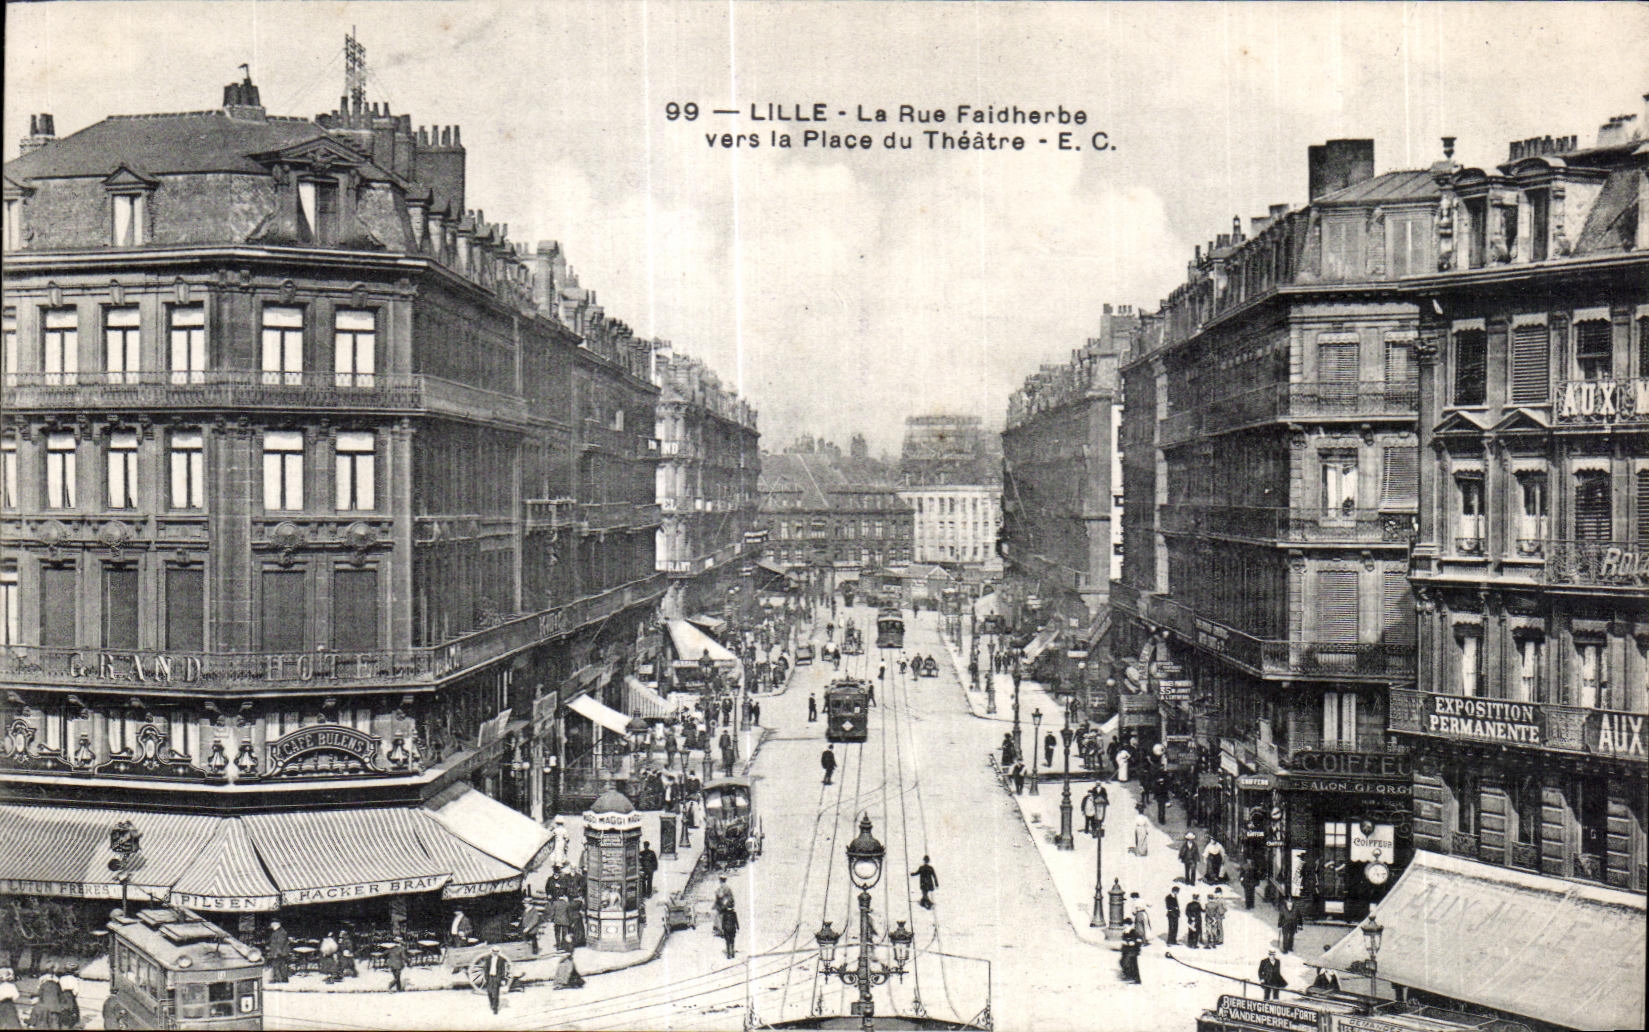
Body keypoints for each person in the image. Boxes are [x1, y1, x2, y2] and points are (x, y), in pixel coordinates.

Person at [481, 946, 509, 1015]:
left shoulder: (501, 959)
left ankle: (495, 1009)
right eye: (494, 951)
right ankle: (492, 1004)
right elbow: (485, 969)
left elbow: (503, 970)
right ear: (492, 951)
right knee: (489, 992)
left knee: (496, 993)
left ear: (498, 952)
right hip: (490, 977)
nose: (495, 953)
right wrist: (485, 978)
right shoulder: (488, 958)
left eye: (497, 951)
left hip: (497, 977)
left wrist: (502, 979)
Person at [1118, 919, 1143, 984]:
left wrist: (1134, 943)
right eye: (1124, 925)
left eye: (1125, 925)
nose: (1124, 927)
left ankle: (1135, 978)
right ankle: (1129, 975)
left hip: (1132, 950)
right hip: (1126, 950)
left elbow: (1139, 940)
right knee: (1123, 962)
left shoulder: (1133, 931)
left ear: (1129, 925)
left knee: (1131, 964)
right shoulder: (1125, 932)